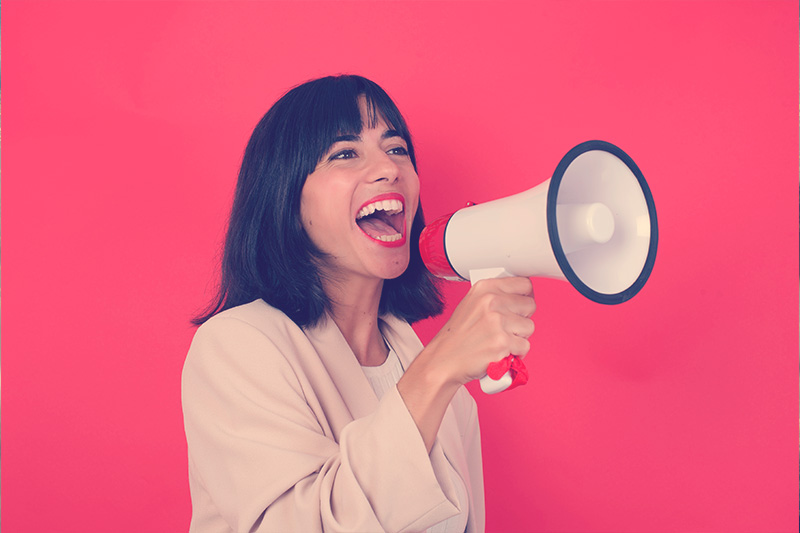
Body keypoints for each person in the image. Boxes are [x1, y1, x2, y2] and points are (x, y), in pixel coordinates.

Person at [182, 74, 536, 533]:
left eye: (397, 149)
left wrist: (438, 369)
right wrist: (438, 368)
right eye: (345, 153)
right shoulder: (235, 347)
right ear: (286, 197)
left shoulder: (437, 380)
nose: (389, 168)